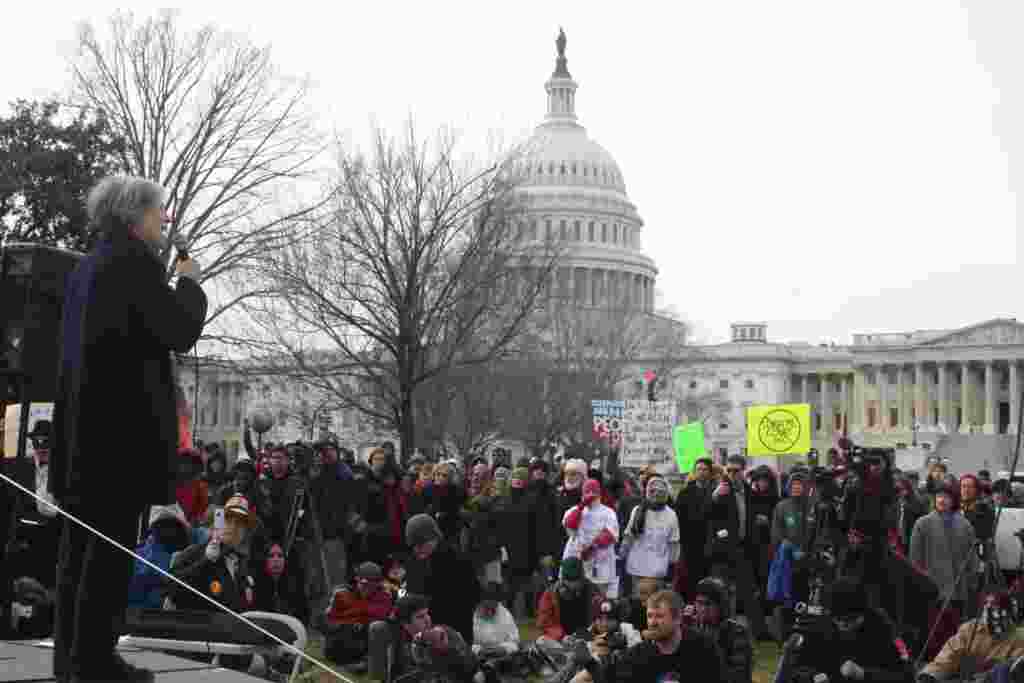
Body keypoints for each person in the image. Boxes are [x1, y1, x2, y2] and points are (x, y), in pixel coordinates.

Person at [50, 176, 207, 683]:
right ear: (135, 215)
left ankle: (72, 658)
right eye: (159, 211)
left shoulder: (87, 267)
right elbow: (178, 329)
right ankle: (97, 662)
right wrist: (189, 282)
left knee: (78, 553)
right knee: (109, 557)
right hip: (117, 445)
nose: (165, 219)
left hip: (82, 440)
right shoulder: (133, 264)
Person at [574, 589, 727, 683]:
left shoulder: (703, 648)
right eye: (649, 616)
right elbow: (610, 679)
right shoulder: (640, 654)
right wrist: (591, 663)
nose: (652, 622)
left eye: (659, 616)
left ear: (678, 619)